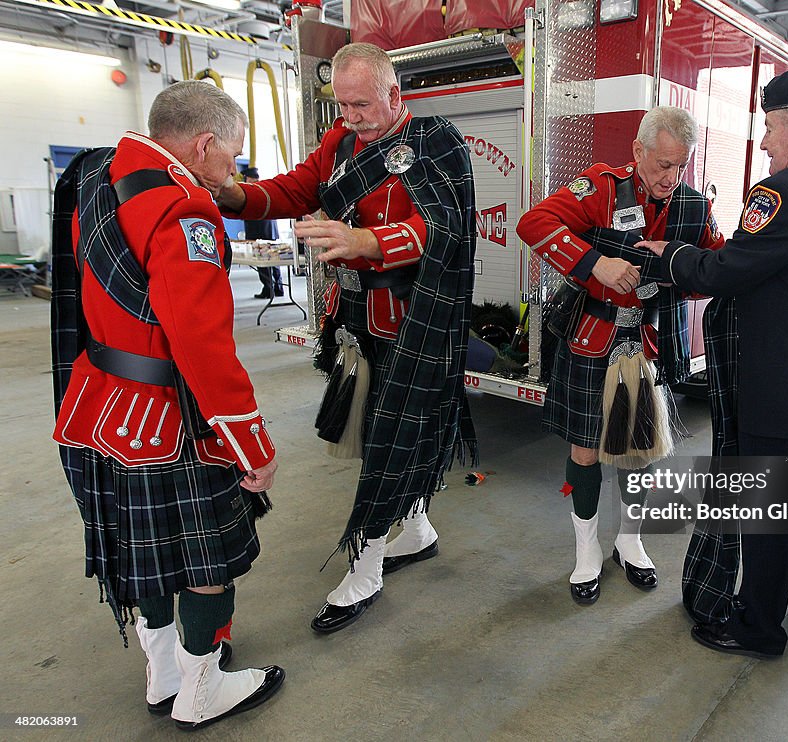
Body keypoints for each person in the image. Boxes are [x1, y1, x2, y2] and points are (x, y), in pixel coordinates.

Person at [216, 42, 477, 634]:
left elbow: (445, 227)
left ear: (394, 94)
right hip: (360, 322)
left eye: (361, 104)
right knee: (389, 437)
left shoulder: (438, 142)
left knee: (392, 443)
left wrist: (369, 243)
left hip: (419, 322)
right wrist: (234, 194)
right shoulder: (340, 142)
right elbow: (293, 189)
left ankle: (365, 565)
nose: (350, 115)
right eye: (342, 104)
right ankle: (416, 528)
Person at [50, 81, 284, 729]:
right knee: (207, 555)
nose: (231, 175)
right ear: (203, 143)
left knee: (141, 548)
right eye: (232, 158)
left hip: (100, 404)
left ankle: (165, 673)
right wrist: (253, 447)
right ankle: (201, 689)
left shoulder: (99, 176)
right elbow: (201, 345)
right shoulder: (185, 211)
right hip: (166, 416)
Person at [640, 70, 788, 657]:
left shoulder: (786, 192)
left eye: (771, 128)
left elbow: (726, 271)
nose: (766, 143)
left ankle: (757, 630)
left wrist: (669, 255)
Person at [516, 106, 725, 605]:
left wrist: (686, 270)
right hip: (592, 338)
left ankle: (628, 542)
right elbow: (533, 223)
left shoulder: (694, 207)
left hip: (648, 343)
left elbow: (718, 263)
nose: (671, 178)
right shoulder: (602, 188)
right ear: (637, 152)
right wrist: (596, 263)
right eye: (662, 165)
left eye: (680, 166)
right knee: (585, 451)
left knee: (640, 449)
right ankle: (586, 551)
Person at [239, 166, 284, 299]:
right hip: (271, 230)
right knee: (275, 258)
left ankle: (268, 288)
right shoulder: (265, 188)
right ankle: (279, 287)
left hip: (258, 231)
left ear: (249, 178)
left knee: (262, 260)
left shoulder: (250, 191)